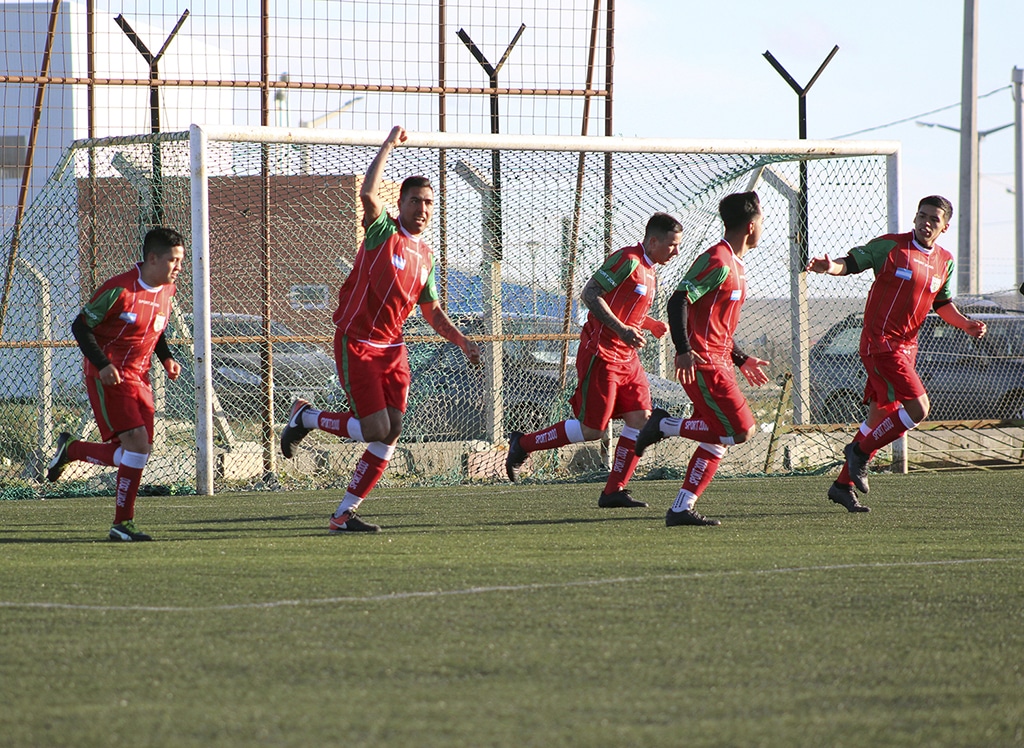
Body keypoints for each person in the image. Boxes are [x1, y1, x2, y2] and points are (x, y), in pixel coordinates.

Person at [280, 125, 480, 533]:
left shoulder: (425, 255)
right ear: (401, 204)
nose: (422, 209)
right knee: (373, 427)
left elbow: (432, 310)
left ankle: (343, 514)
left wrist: (461, 340)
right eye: (415, 201)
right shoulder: (382, 231)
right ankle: (306, 418)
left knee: (391, 432)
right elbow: (368, 194)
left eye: (428, 203)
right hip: (357, 342)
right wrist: (388, 146)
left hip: (393, 350)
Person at [805, 195, 986, 512]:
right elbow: (850, 264)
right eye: (922, 215)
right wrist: (829, 267)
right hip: (880, 342)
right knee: (919, 408)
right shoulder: (891, 246)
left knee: (879, 417)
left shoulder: (945, 260)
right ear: (915, 217)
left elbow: (941, 304)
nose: (925, 222)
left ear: (944, 227)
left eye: (933, 219)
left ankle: (842, 485)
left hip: (907, 347)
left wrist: (965, 324)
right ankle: (859, 453)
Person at [505, 212, 683, 507]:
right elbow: (590, 294)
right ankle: (522, 444)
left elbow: (623, 305)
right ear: (652, 241)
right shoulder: (628, 260)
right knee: (592, 430)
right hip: (601, 353)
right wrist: (623, 329)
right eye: (672, 245)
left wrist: (647, 323)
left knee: (641, 420)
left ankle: (614, 490)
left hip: (627, 358)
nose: (676, 252)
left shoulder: (651, 270)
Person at [634, 191, 770, 526]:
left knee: (717, 438)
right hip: (704, 362)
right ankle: (664, 425)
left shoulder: (735, 264)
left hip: (721, 360)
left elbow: (716, 322)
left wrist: (741, 359)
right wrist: (683, 350)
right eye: (762, 221)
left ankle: (681, 508)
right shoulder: (718, 260)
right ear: (752, 227)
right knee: (742, 431)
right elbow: (678, 300)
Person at [46, 227, 186, 541]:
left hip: (140, 378)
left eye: (181, 261)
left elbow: (155, 329)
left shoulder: (167, 289)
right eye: (173, 260)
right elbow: (81, 326)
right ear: (152, 258)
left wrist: (166, 358)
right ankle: (122, 524)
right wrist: (103, 364)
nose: (179, 267)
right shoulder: (119, 289)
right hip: (109, 376)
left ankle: (73, 449)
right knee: (136, 444)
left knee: (135, 452)